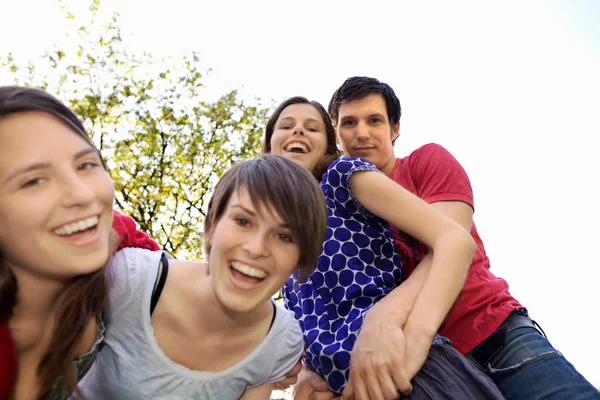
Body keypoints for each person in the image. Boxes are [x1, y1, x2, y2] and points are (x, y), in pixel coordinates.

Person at [295, 76, 600, 400]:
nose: (362, 133)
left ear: (395, 128)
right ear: (337, 135)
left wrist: (386, 314)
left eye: (374, 120)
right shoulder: (338, 214)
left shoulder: (425, 162)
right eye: (349, 123)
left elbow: (453, 242)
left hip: (492, 338)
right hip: (427, 374)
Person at [263, 96, 505, 399]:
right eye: (287, 126)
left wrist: (413, 351)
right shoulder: (277, 241)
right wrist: (306, 371)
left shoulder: (341, 178)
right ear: (269, 143)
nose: (298, 131)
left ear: (328, 146)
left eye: (312, 128)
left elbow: (455, 240)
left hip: (412, 374)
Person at [76, 153, 328, 399]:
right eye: (243, 221)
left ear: (301, 257)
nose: (256, 248)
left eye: (284, 236)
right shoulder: (129, 278)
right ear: (211, 226)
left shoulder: (280, 342)